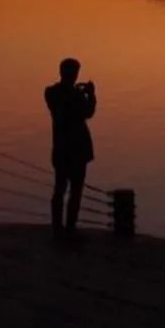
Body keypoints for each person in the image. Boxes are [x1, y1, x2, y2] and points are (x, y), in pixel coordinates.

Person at [43, 57, 96, 236]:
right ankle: (70, 228)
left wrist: (78, 91)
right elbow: (88, 112)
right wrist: (90, 94)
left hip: (60, 149)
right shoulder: (75, 96)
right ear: (75, 74)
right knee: (75, 190)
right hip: (77, 150)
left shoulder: (50, 93)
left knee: (59, 189)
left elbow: (61, 98)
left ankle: (57, 227)